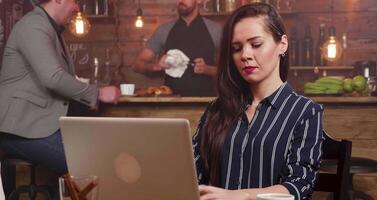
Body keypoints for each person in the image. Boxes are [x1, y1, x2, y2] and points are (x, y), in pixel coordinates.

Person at [192, 3, 324, 200]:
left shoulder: (305, 112)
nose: (245, 55)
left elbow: (299, 185)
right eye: (236, 48)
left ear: (282, 44)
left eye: (256, 44)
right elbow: (192, 174)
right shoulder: (216, 109)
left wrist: (239, 196)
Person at [0, 0, 120, 197]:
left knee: (94, 159)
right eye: (75, 1)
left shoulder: (50, 29)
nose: (78, 8)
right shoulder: (34, 25)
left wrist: (85, 99)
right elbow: (53, 77)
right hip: (18, 131)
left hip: (36, 128)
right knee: (90, 165)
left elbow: (57, 82)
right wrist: (96, 93)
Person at [132, 0, 222, 97]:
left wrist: (207, 69)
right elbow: (136, 65)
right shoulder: (164, 30)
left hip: (205, 103)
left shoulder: (215, 30)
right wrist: (156, 66)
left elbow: (231, 70)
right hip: (171, 105)